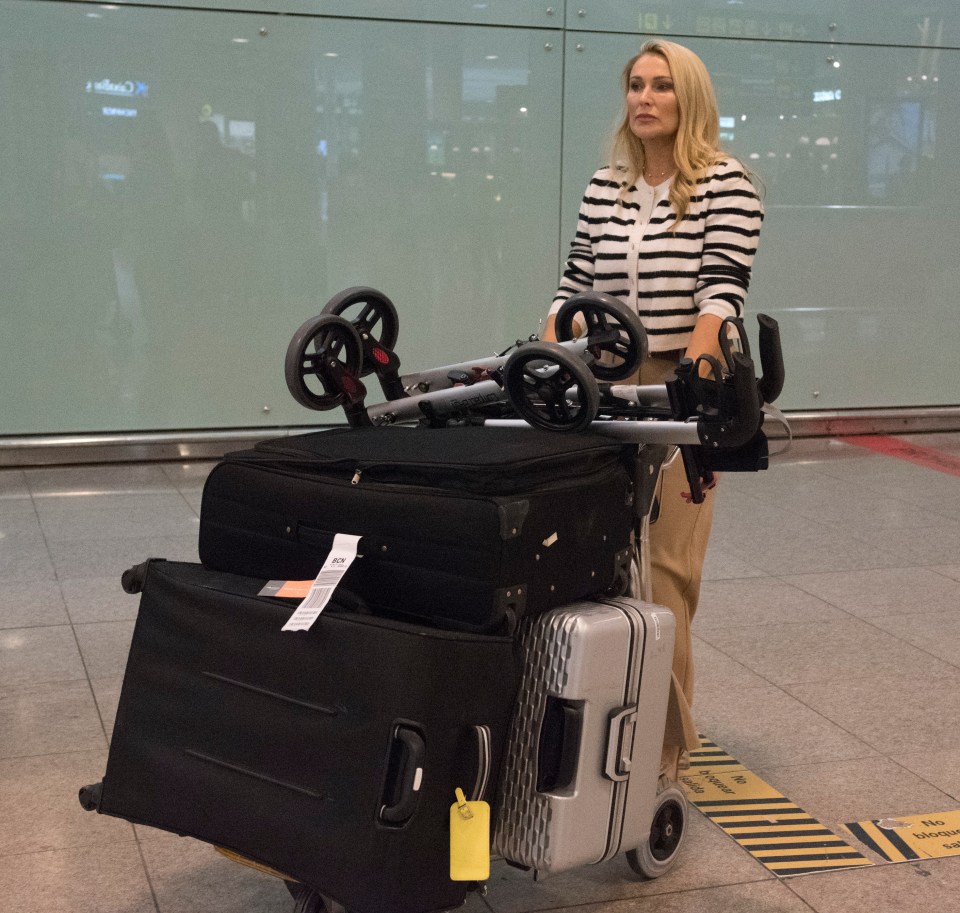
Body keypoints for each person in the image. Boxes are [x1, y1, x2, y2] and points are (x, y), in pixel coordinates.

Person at [543, 39, 764, 782]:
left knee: (664, 567)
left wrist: (698, 375)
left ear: (688, 99)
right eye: (635, 85)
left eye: (661, 86)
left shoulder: (726, 184)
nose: (643, 98)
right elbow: (574, 282)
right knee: (598, 558)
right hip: (604, 377)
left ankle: (663, 755)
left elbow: (720, 294)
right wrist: (544, 356)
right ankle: (602, 724)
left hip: (681, 381)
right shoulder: (607, 186)